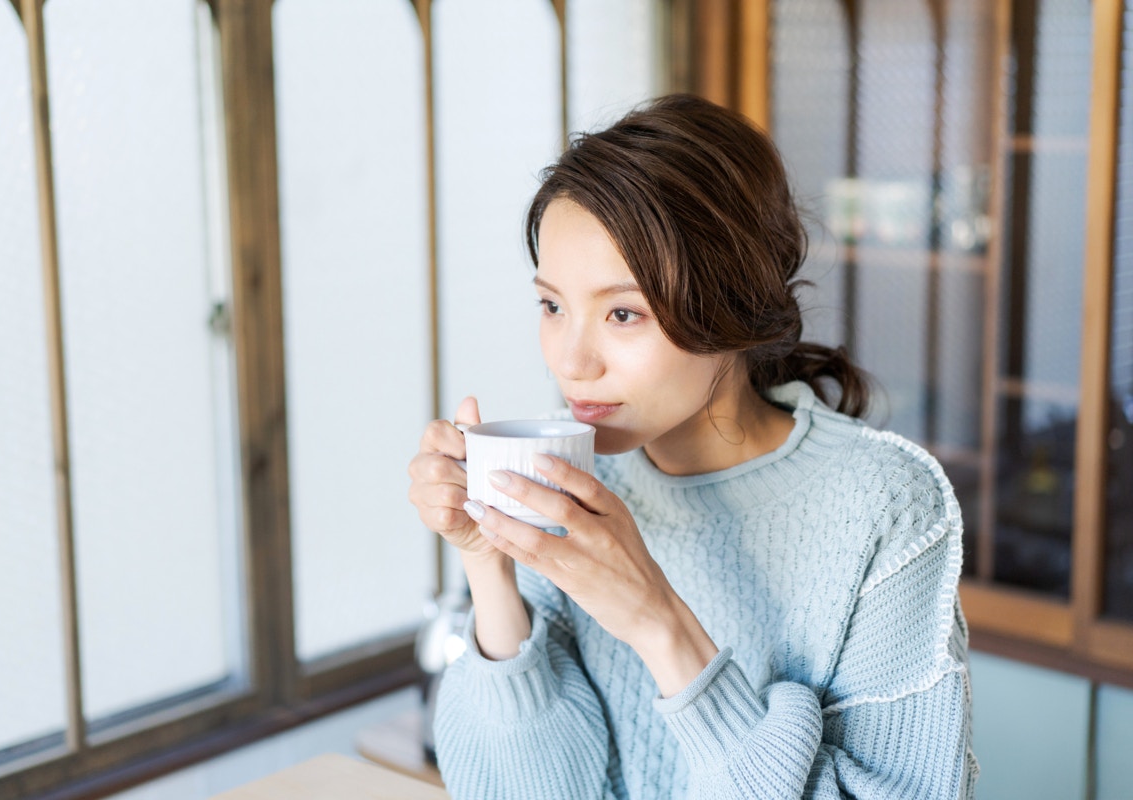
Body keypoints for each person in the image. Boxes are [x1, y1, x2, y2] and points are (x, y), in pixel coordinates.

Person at [407, 93, 977, 799]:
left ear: (729, 306)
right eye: (552, 306)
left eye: (623, 313)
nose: (572, 361)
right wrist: (488, 566)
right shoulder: (569, 480)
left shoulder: (887, 508)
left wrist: (659, 623)